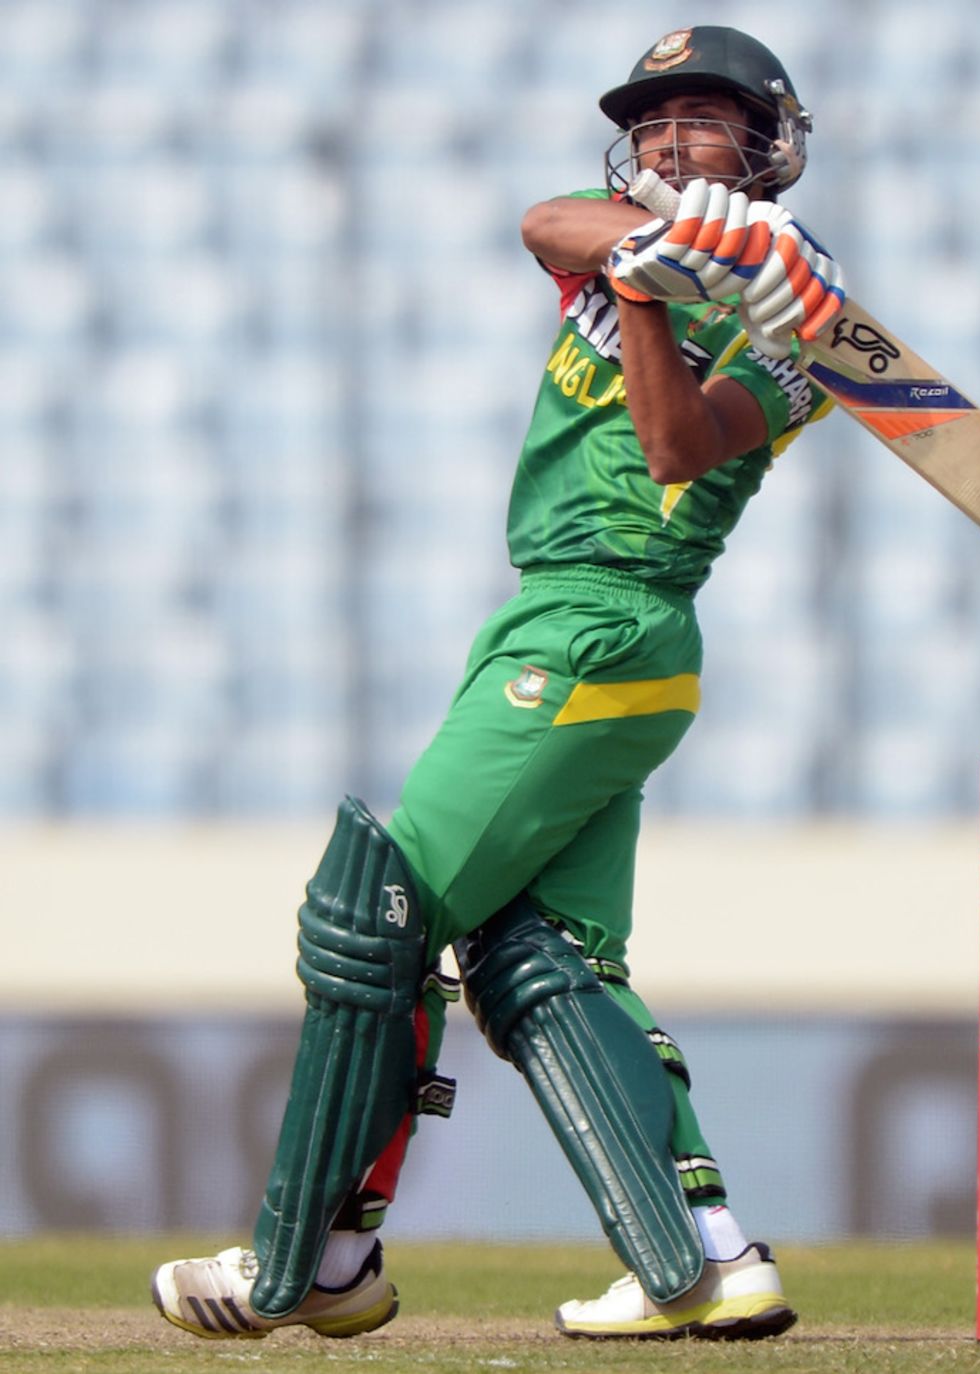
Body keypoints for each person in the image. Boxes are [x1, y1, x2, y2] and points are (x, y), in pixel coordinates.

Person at [151, 25, 844, 1343]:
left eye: (700, 119)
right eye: (650, 123)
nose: (666, 141)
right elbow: (543, 221)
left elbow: (676, 442)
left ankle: (316, 1254)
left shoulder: (796, 327)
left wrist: (709, 283)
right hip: (556, 620)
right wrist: (654, 256)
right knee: (546, 960)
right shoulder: (618, 246)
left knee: (379, 913)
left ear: (770, 143)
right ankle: (705, 1250)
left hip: (605, 623)